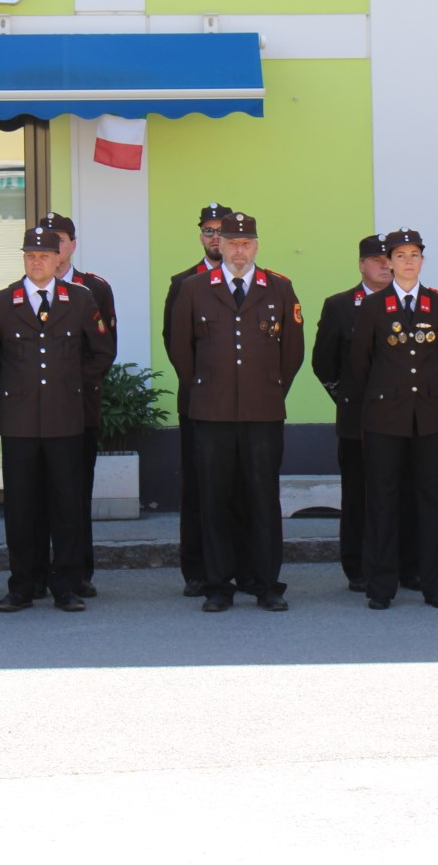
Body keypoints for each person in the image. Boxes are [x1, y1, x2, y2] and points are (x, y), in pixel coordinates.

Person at [0, 223, 114, 612]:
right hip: (19, 422)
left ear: (58, 259)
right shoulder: (1, 303)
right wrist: (15, 384)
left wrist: (71, 382)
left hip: (65, 418)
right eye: (31, 256)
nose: (37, 262)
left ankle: (65, 585)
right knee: (21, 508)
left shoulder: (80, 299)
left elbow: (102, 351)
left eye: (45, 256)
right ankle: (23, 584)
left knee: (66, 506)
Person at [167, 212, 304, 612]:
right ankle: (218, 585)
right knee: (214, 500)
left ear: (256, 246)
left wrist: (269, 390)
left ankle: (266, 584)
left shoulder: (279, 287)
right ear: (220, 245)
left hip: (263, 413)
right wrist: (205, 390)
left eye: (246, 243)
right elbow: (180, 349)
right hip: (212, 413)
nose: (239, 251)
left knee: (263, 499)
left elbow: (292, 351)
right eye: (231, 243)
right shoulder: (193, 289)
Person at [349, 228, 438, 610]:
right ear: (389, 263)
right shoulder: (373, 306)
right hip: (384, 416)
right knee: (383, 500)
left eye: (414, 255)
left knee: (433, 501)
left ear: (422, 261)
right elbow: (360, 364)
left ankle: (435, 585)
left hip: (429, 415)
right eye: (400, 256)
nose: (408, 261)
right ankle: (381, 586)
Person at [161, 201, 236, 597]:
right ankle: (197, 569)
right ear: (200, 236)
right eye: (208, 231)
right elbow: (174, 342)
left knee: (240, 486)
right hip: (198, 401)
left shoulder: (258, 281)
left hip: (243, 404)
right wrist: (199, 386)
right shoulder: (183, 282)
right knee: (197, 486)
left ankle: (239, 565)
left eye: (221, 231)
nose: (215, 237)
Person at [311, 233, 392, 592]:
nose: (385, 265)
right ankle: (357, 567)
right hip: (356, 420)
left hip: (401, 419)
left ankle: (401, 563)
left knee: (399, 493)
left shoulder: (409, 303)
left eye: (389, 258)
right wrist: (346, 399)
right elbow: (323, 363)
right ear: (361, 265)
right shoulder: (341, 306)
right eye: (377, 259)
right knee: (358, 495)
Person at [42, 210, 115, 600]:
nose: (52, 247)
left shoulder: (94, 289)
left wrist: (69, 383)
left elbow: (104, 349)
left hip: (79, 408)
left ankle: (78, 571)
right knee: (37, 495)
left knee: (75, 492)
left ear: (72, 244)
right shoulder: (23, 289)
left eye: (59, 239)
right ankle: (37, 572)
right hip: (34, 414)